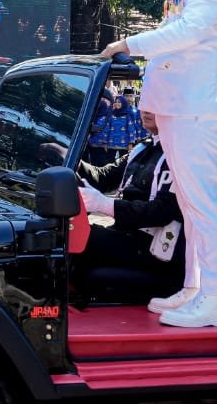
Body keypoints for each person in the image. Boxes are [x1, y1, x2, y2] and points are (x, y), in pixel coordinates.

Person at [102, 0, 217, 328]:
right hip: (183, 105)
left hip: (199, 106)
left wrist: (129, 42)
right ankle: (196, 288)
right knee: (191, 203)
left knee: (206, 204)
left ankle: (216, 297)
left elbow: (188, 32)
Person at [74, 109, 186, 298]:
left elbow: (162, 211)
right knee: (68, 234)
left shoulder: (178, 154)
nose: (147, 110)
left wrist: (104, 205)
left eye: (155, 104)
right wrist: (71, 160)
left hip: (154, 249)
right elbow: (103, 177)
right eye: (145, 102)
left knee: (81, 239)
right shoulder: (143, 148)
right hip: (128, 237)